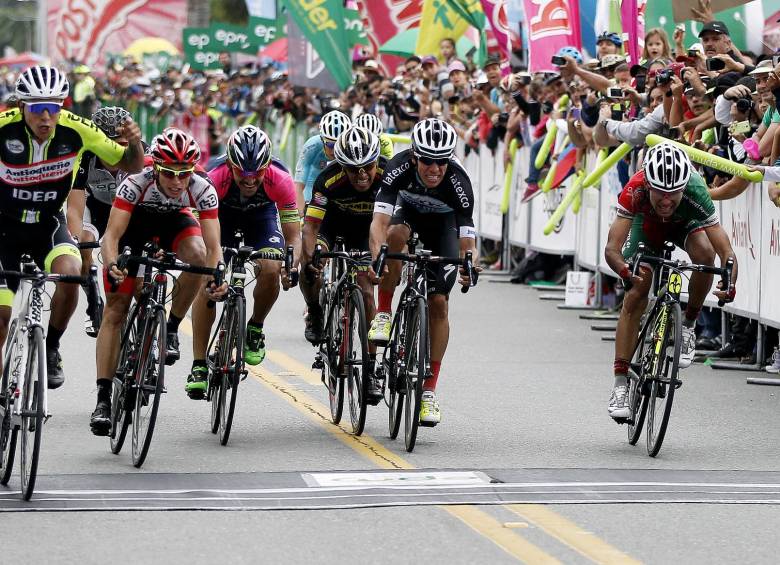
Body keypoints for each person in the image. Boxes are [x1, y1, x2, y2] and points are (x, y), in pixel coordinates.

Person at [0, 66, 144, 391]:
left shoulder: (77, 129)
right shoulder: (3, 129)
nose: (47, 117)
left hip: (48, 224)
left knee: (73, 271)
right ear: (21, 107)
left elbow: (130, 165)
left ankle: (51, 347)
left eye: (55, 107)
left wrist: (134, 144)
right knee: (2, 316)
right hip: (5, 229)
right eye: (38, 109)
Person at [91, 128, 226, 434]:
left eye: (184, 174)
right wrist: (113, 264)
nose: (177, 182)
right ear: (155, 168)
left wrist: (218, 275)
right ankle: (101, 398)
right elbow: (111, 236)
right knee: (116, 309)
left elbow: (214, 247)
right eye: (168, 174)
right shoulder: (135, 183)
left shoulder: (202, 189)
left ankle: (172, 327)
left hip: (174, 223)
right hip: (134, 228)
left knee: (198, 254)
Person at [604, 143, 737, 421]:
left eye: (673, 194)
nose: (666, 201)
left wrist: (729, 279)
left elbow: (726, 252)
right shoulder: (636, 189)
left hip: (683, 225)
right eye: (660, 194)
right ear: (648, 186)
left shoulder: (695, 190)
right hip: (645, 227)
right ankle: (620, 385)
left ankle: (688, 326)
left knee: (705, 254)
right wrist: (626, 272)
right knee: (638, 290)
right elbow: (612, 249)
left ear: (683, 187)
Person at [368, 119, 478, 425]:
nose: (434, 168)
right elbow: (378, 223)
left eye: (441, 162)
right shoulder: (398, 168)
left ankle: (428, 392)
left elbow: (467, 241)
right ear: (414, 157)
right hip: (408, 214)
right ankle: (384, 312)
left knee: (439, 302)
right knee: (394, 238)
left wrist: (469, 264)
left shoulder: (459, 182)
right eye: (427, 160)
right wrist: (378, 256)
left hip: (443, 226)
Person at [187, 126, 301, 398]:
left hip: (260, 220)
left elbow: (294, 235)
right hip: (220, 219)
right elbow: (197, 228)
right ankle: (199, 365)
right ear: (229, 164)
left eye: (257, 173)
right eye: (242, 172)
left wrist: (290, 264)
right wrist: (210, 263)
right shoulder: (213, 178)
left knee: (271, 267)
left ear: (267, 166)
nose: (250, 180)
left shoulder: (280, 179)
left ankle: (255, 328)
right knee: (208, 283)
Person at [300, 126, 387, 402]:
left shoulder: (387, 176)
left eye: (367, 167)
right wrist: (314, 255)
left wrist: (380, 258)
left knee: (366, 292)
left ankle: (371, 369)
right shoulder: (328, 179)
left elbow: (391, 224)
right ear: (341, 165)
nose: (362, 175)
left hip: (367, 232)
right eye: (353, 169)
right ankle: (314, 310)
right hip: (332, 226)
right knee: (308, 265)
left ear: (376, 161)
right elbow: (311, 226)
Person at [67, 106, 137, 337]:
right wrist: (75, 242)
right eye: (111, 143)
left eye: (124, 144)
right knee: (83, 246)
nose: (117, 150)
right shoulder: (85, 157)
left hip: (128, 214)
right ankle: (92, 302)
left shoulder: (139, 156)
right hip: (95, 209)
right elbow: (75, 210)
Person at [293, 110, 351, 212]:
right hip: (313, 189)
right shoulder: (312, 146)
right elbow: (299, 186)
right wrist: (301, 214)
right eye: (330, 145)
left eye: (339, 145)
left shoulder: (351, 148)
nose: (334, 150)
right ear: (322, 139)